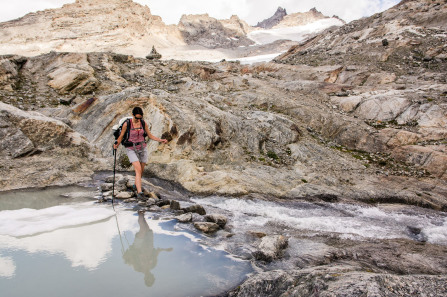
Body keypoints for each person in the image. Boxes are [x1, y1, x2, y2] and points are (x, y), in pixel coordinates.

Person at [113, 107, 167, 199]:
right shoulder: (127, 124)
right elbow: (121, 136)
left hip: (142, 147)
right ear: (132, 115)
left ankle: (135, 186)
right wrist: (116, 144)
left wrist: (160, 140)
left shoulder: (143, 123)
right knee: (138, 170)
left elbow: (149, 135)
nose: (138, 120)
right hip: (131, 148)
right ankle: (139, 193)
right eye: (136, 118)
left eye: (140, 118)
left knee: (141, 170)